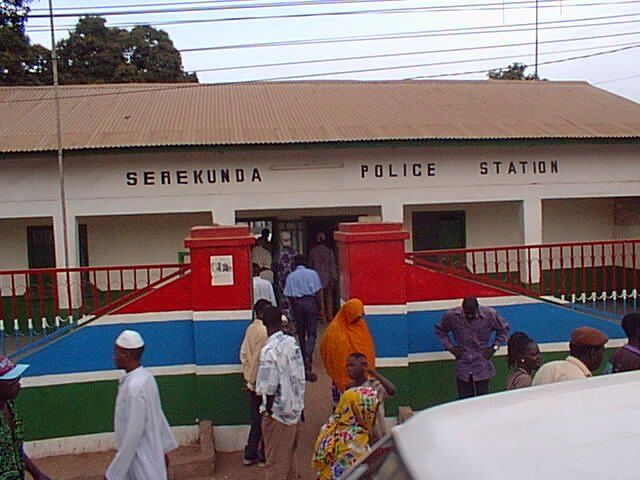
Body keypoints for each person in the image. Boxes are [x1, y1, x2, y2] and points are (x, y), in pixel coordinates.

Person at [106, 330, 178, 480]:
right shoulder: (146, 378)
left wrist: (114, 473)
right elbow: (158, 417)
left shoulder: (135, 388)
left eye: (116, 352)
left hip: (141, 460)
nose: (114, 357)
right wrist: (163, 449)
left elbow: (133, 434)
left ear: (125, 355)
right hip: (151, 455)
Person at [256, 306, 306, 480]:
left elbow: (268, 387)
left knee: (275, 464)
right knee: (290, 460)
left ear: (263, 322)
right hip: (294, 411)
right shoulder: (292, 343)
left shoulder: (269, 351)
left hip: (278, 415)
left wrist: (268, 410)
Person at [434, 296, 510, 399]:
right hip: (463, 363)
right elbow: (440, 330)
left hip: (482, 363)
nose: (470, 316)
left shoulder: (490, 314)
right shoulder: (451, 316)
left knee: (482, 400)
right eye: (467, 313)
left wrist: (494, 347)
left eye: (472, 313)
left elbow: (504, 329)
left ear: (477, 308)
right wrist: (451, 348)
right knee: (465, 401)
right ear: (463, 309)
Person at [311, 386, 379, 480]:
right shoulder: (354, 439)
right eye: (372, 411)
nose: (374, 416)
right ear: (360, 411)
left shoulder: (333, 426)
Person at [0, 356, 51, 480]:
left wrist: (36, 473)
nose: (19, 385)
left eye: (18, 379)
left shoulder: (10, 406)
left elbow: (15, 448)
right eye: (12, 382)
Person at [320, 298, 376, 405]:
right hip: (341, 378)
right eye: (355, 316)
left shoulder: (360, 326)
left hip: (362, 379)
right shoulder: (334, 332)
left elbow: (369, 351)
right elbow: (326, 351)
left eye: (360, 316)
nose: (358, 319)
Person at [240, 299, 271, 467]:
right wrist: (252, 380)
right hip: (261, 382)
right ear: (260, 313)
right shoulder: (264, 332)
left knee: (255, 420)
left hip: (252, 380)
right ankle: (263, 454)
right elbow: (259, 360)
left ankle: (250, 453)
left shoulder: (251, 328)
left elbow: (244, 354)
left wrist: (247, 378)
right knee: (265, 420)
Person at [284, 254, 323, 377]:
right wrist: (319, 307)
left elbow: (288, 295)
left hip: (298, 304)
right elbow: (318, 292)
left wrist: (294, 308)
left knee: (300, 332)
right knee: (312, 332)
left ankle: (302, 356)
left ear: (294, 264)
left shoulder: (291, 276)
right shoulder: (313, 274)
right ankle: (308, 354)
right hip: (310, 302)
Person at [344, 352, 395, 444]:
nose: (348, 369)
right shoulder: (349, 388)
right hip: (358, 439)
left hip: (377, 437)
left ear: (363, 366)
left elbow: (392, 390)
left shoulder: (373, 386)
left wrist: (372, 372)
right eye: (347, 366)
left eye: (352, 365)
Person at [533, 326, 608, 385]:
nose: (602, 356)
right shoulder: (579, 380)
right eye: (602, 351)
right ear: (593, 353)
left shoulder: (546, 368)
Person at [309, 232, 338, 323]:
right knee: (329, 298)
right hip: (328, 277)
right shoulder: (329, 251)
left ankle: (322, 317)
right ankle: (330, 316)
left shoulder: (313, 252)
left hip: (317, 278)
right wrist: (334, 277)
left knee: (319, 299)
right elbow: (332, 265)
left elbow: (310, 265)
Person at [275, 231, 298, 311]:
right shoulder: (294, 252)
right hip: (294, 279)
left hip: (283, 279)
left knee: (285, 299)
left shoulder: (279, 253)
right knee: (294, 298)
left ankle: (287, 315)